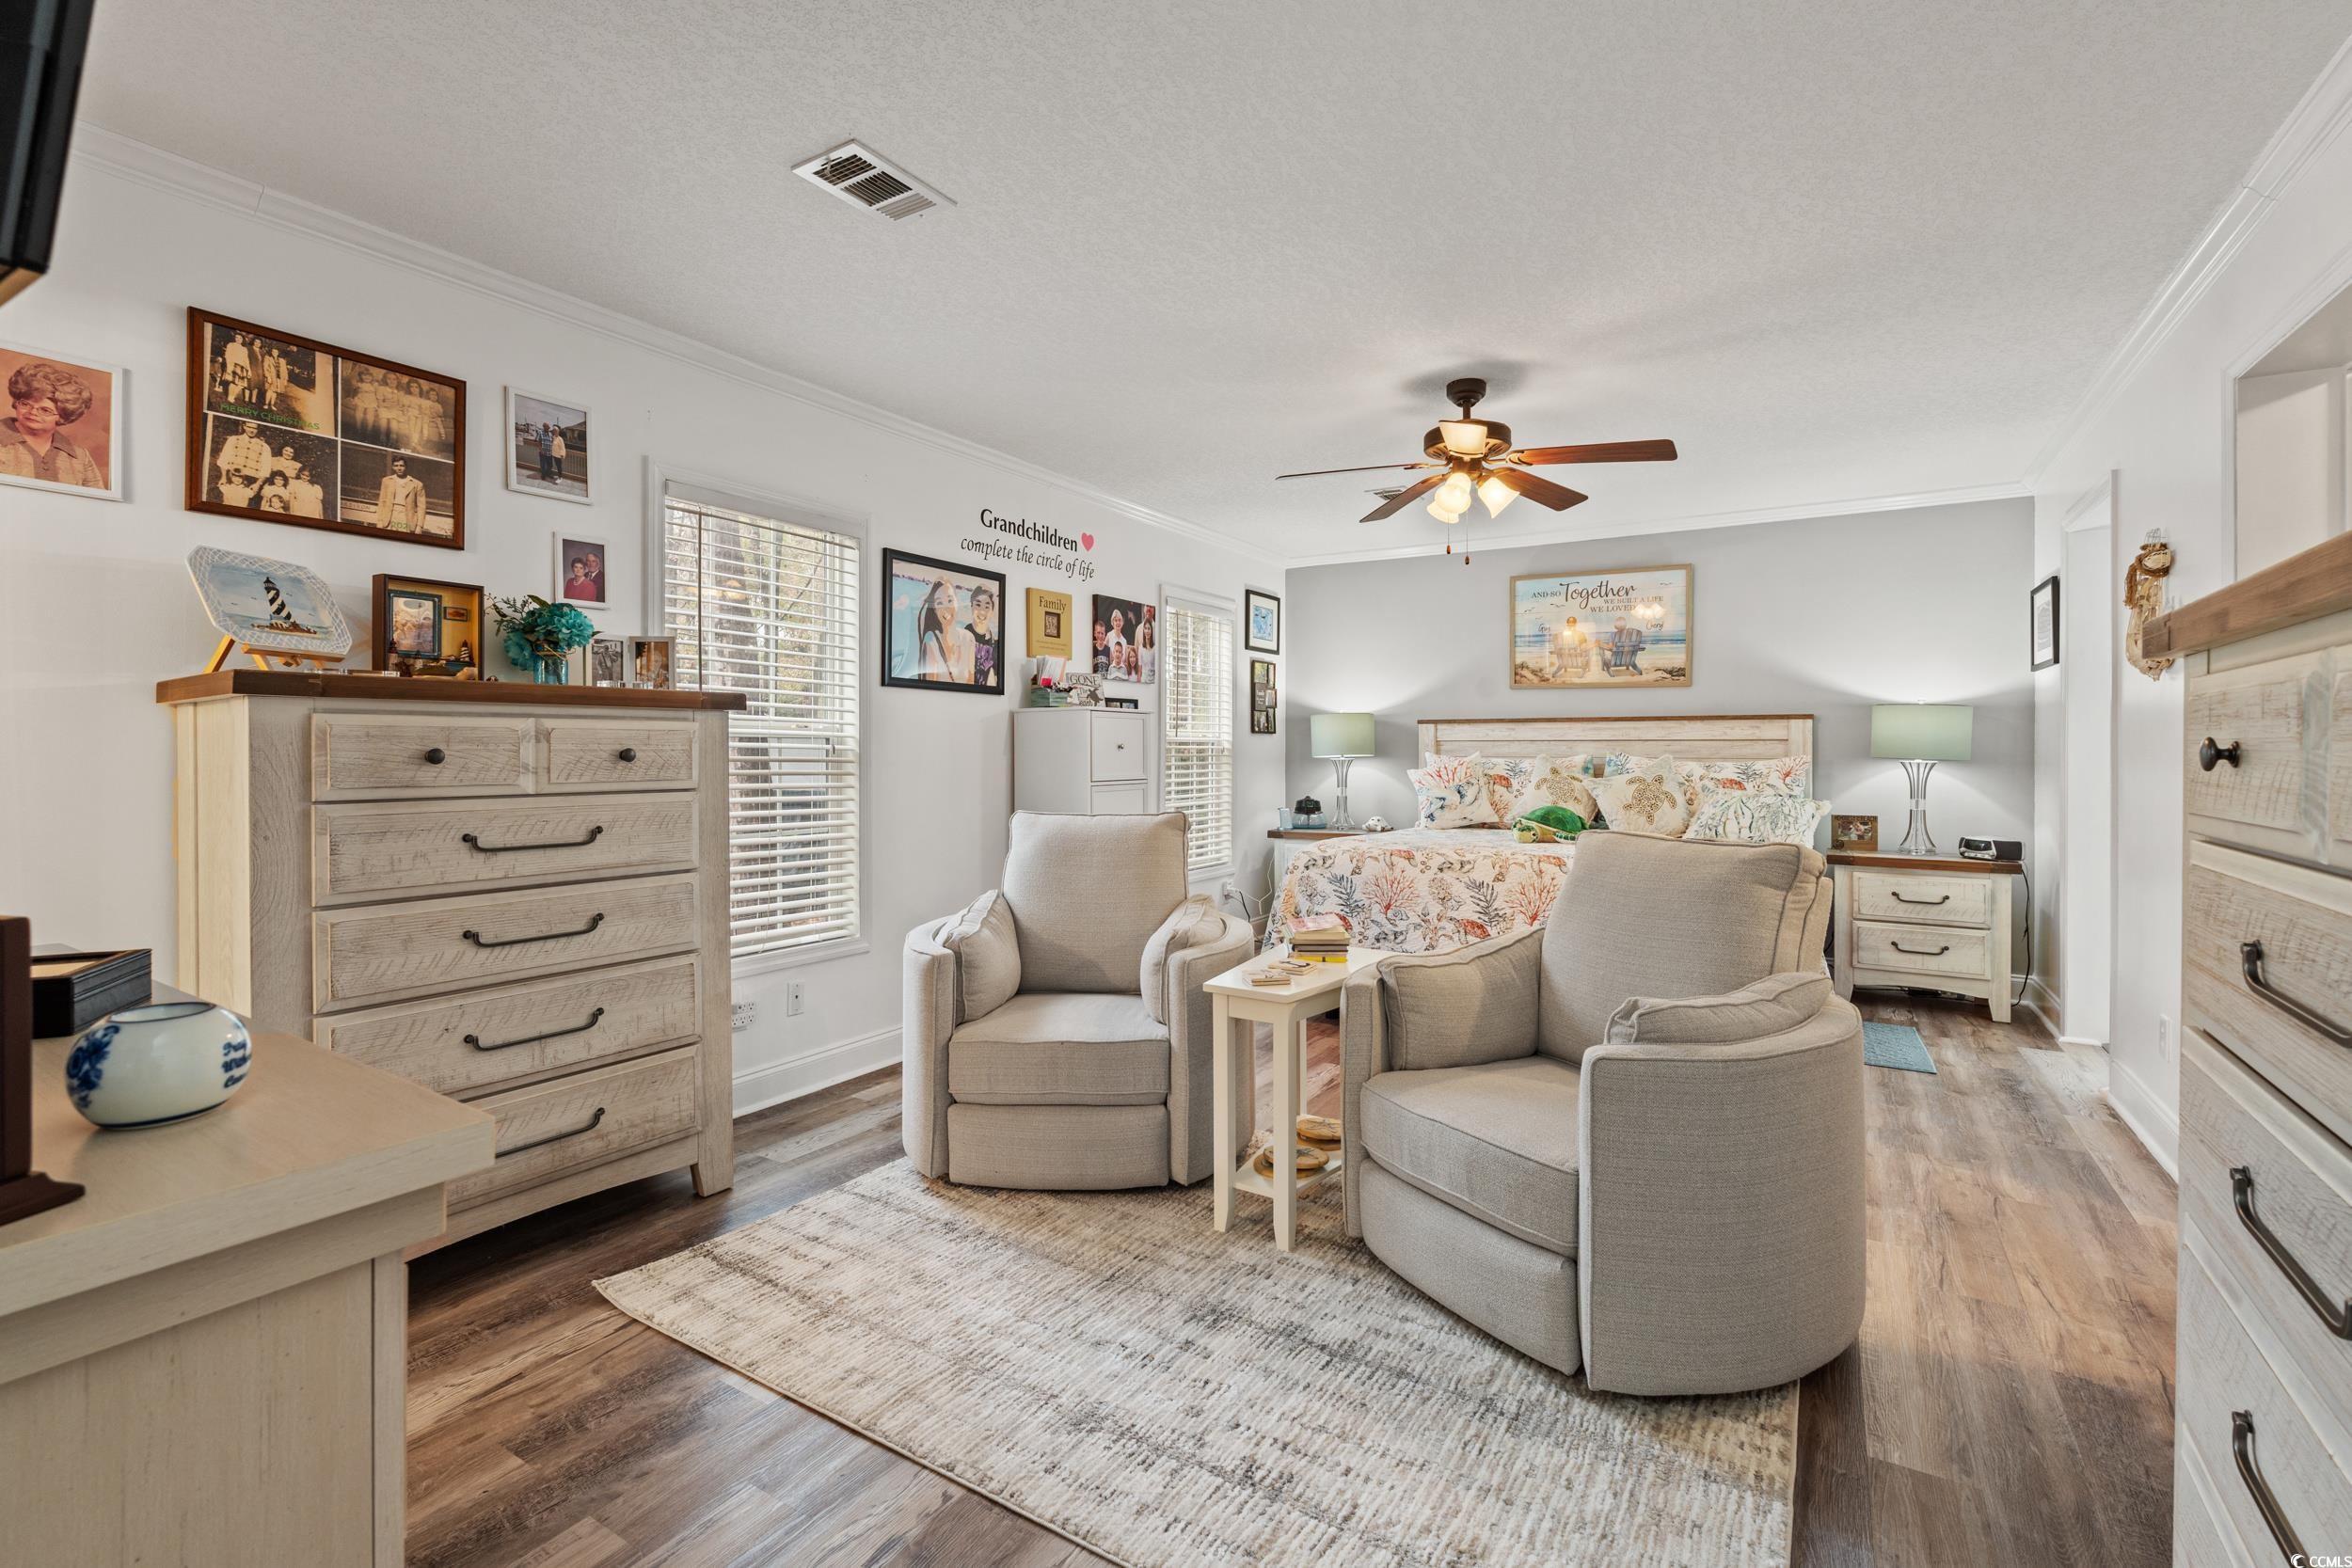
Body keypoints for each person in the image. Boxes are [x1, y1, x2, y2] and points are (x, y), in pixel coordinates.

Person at [0, 360, 106, 490]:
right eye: (25, 404)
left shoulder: (80, 457)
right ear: (16, 402)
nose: (32, 412)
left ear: (62, 416)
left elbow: (97, 503)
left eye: (45, 410)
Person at [915, 577, 974, 683]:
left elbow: (971, 683)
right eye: (939, 603)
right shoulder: (931, 640)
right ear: (934, 609)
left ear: (957, 601)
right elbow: (929, 687)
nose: (945, 607)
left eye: (950, 600)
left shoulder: (968, 638)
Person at [215, 419, 272, 505]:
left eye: (255, 428)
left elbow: (266, 469)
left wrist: (257, 484)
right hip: (232, 476)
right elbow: (224, 459)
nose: (252, 430)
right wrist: (223, 477)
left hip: (251, 481)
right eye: (249, 427)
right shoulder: (233, 440)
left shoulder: (265, 447)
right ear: (244, 426)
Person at [374, 455, 428, 531]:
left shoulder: (417, 484)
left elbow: (421, 507)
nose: (399, 468)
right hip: (389, 517)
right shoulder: (387, 481)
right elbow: (382, 501)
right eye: (396, 466)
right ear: (393, 467)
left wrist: (419, 526)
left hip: (406, 518)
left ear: (406, 467)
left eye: (402, 465)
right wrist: (379, 520)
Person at [967, 581, 999, 689]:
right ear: (971, 606)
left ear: (992, 611)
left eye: (987, 606)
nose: (982, 611)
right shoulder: (963, 637)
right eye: (978, 605)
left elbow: (996, 678)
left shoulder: (995, 643)